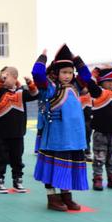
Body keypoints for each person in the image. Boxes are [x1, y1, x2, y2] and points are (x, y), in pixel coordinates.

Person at [32, 45, 93, 211]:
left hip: (74, 138)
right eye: (64, 72)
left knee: (68, 168)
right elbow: (37, 74)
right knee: (53, 168)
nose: (67, 76)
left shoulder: (75, 87)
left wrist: (76, 59)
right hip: (56, 138)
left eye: (70, 72)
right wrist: (43, 57)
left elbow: (87, 75)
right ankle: (52, 197)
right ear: (56, 73)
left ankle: (67, 197)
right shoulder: (50, 88)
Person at [0, 66, 38, 193]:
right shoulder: (0, 92)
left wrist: (30, 84)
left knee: (17, 158)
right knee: (0, 158)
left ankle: (18, 180)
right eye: (1, 77)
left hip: (18, 133)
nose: (3, 79)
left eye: (6, 76)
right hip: (1, 134)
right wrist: (0, 81)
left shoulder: (22, 93)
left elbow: (35, 94)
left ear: (15, 78)